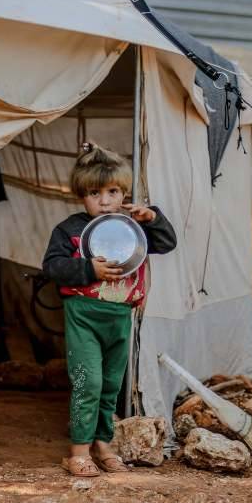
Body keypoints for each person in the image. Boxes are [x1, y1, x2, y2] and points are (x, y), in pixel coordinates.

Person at [42, 142, 177, 477]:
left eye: (113, 191)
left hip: (120, 317)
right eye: (94, 193)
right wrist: (89, 270)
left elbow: (166, 243)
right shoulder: (70, 230)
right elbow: (52, 267)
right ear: (80, 195)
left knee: (110, 386)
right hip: (84, 314)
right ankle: (78, 450)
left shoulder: (134, 228)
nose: (104, 201)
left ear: (125, 193)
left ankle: (104, 444)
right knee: (88, 381)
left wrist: (154, 217)